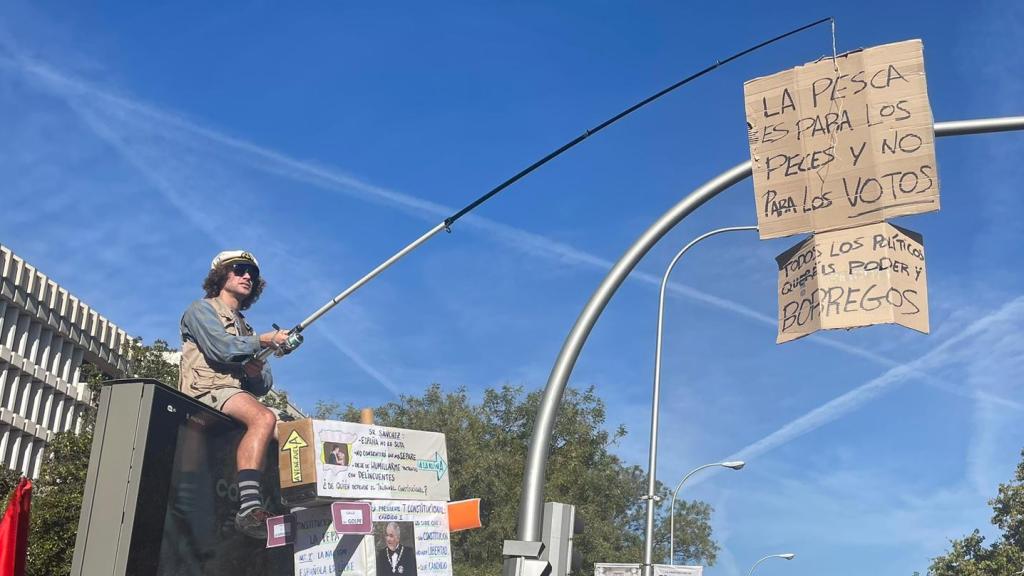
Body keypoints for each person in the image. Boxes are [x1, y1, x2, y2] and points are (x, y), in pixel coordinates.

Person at [178, 250, 291, 539]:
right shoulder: (201, 310)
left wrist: (254, 371)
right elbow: (221, 348)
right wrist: (263, 340)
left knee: (296, 430)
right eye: (240, 269)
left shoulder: (245, 326)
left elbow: (263, 384)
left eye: (252, 273)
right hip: (206, 391)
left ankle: (295, 502)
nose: (247, 276)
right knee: (263, 417)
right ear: (220, 275)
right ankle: (250, 508)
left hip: (235, 395)